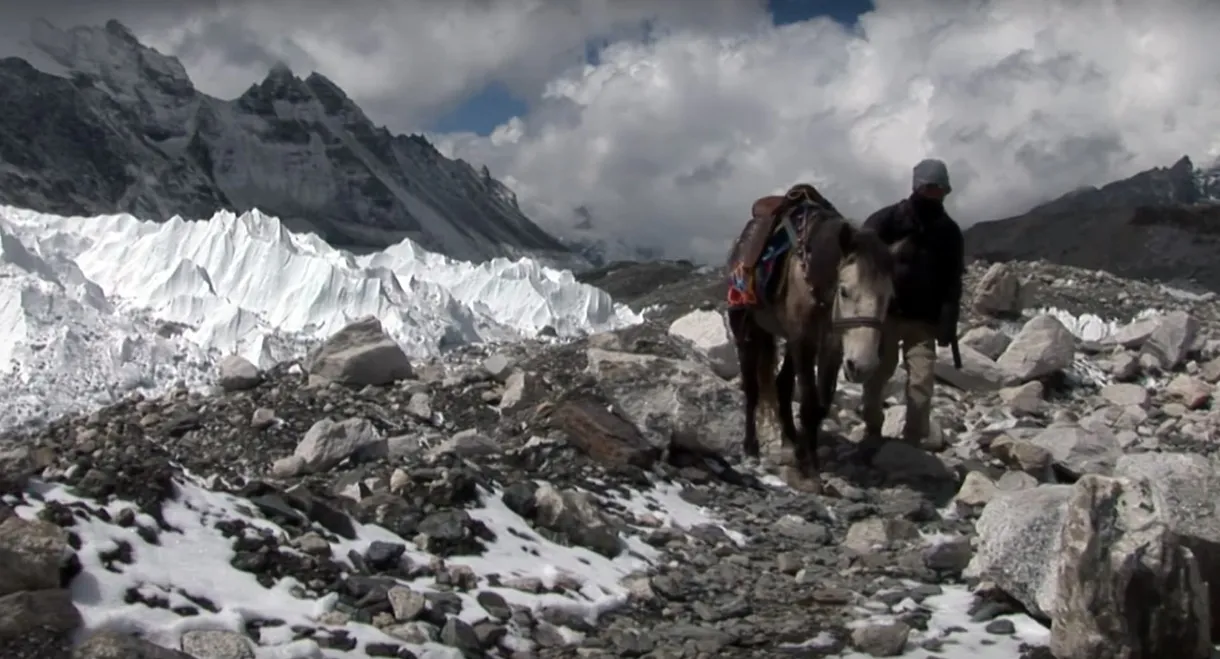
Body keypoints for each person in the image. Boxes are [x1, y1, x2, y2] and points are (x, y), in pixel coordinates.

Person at [859, 158, 965, 447]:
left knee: (922, 382)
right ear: (917, 186)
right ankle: (872, 428)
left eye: (940, 189)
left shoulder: (948, 232)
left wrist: (948, 321)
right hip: (888, 316)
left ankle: (913, 440)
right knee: (879, 374)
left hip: (924, 321)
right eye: (930, 187)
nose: (935, 194)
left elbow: (953, 279)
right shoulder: (887, 221)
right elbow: (860, 261)